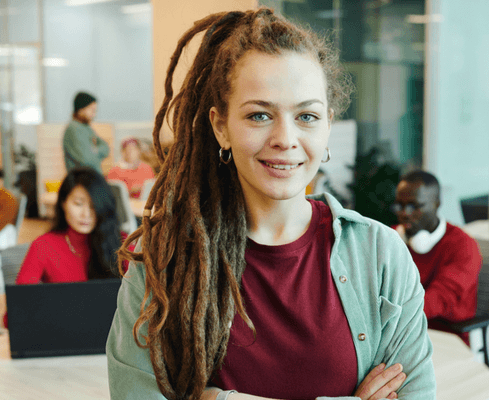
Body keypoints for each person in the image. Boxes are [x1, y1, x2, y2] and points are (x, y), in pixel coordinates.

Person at [109, 9, 435, 400]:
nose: (285, 138)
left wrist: (219, 399)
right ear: (220, 126)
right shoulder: (164, 258)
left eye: (307, 116)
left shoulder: (380, 255)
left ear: (327, 126)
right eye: (260, 115)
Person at [393, 170, 482, 328]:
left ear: (437, 203)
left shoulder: (463, 245)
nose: (405, 214)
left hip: (446, 335)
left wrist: (391, 318)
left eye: (415, 206)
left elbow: (440, 298)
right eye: (400, 205)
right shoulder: (390, 237)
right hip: (399, 330)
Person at [16, 167, 122, 284]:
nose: (86, 214)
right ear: (63, 203)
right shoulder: (43, 246)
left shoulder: (123, 244)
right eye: (78, 204)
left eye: (93, 206)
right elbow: (22, 298)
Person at [63, 91, 110, 173]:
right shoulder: (73, 129)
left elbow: (106, 148)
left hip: (93, 179)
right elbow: (87, 160)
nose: (94, 115)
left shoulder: (87, 128)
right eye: (92, 110)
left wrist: (95, 150)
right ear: (81, 109)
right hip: (81, 180)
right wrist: (96, 152)